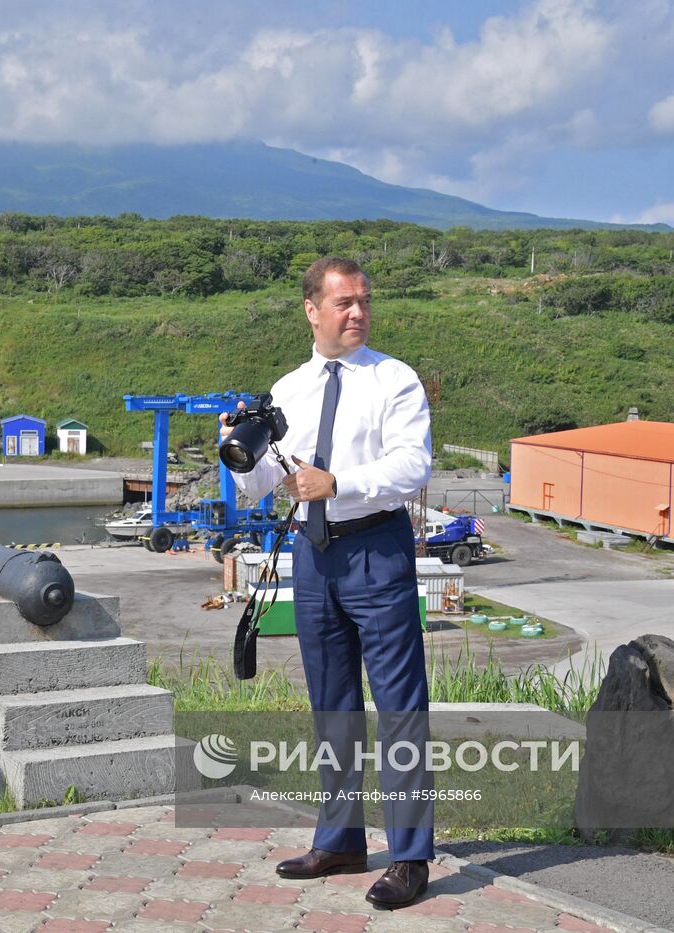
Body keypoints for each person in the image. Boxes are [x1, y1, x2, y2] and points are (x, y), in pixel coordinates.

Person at [221, 257, 433, 910]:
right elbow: (256, 485)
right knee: (333, 705)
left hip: (376, 546)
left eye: (364, 300)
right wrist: (235, 445)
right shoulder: (288, 389)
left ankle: (410, 857)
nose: (358, 312)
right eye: (343, 303)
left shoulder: (394, 380)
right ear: (312, 310)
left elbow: (412, 466)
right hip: (313, 555)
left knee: (399, 707)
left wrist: (338, 482)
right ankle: (340, 839)